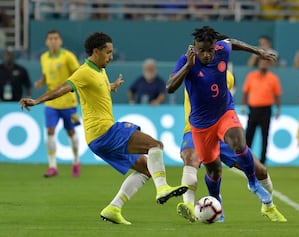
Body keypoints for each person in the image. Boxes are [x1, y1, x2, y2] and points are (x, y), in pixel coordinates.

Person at [20, 32, 187, 225]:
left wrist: (112, 86)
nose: (111, 56)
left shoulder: (100, 70)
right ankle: (163, 188)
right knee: (155, 145)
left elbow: (98, 87)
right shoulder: (84, 72)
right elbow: (63, 88)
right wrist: (37, 100)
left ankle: (113, 209)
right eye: (108, 52)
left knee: (145, 169)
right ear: (95, 51)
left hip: (97, 141)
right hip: (104, 131)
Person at [167, 26, 286, 222]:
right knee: (214, 170)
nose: (206, 55)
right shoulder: (186, 61)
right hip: (200, 125)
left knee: (240, 144)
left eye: (210, 50)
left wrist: (259, 51)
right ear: (194, 48)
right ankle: (215, 200)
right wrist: (187, 66)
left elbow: (232, 43)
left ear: (216, 47)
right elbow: (170, 87)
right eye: (201, 51)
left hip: (223, 114)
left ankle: (255, 186)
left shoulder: (223, 51)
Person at [35, 29, 81, 178]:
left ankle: (75, 160)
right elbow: (47, 74)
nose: (53, 41)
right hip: (51, 103)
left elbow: (78, 73)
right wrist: (42, 81)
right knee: (50, 131)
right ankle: (52, 166)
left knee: (71, 132)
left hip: (69, 103)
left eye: (56, 38)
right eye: (50, 39)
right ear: (47, 42)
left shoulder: (68, 57)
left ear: (60, 41)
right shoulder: (43, 58)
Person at [241, 58, 282, 164]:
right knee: (249, 135)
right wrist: (243, 106)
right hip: (253, 109)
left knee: (265, 136)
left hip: (266, 109)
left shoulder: (273, 78)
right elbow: (245, 92)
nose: (263, 64)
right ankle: (246, 157)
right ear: (258, 64)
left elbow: (277, 95)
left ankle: (262, 160)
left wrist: (278, 108)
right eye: (262, 62)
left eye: (265, 63)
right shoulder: (251, 76)